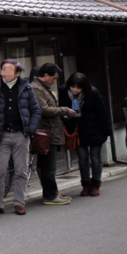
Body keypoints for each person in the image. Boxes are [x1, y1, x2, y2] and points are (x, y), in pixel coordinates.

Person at [0, 60, 42, 217]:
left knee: (21, 170)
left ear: (17, 73)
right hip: (1, 135)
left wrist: (30, 129)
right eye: (3, 69)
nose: (5, 73)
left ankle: (19, 203)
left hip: (21, 134)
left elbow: (36, 111)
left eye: (9, 70)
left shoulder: (26, 88)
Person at [60, 73, 111, 197]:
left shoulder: (93, 93)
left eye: (78, 87)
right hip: (77, 130)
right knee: (82, 158)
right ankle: (85, 184)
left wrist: (106, 131)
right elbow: (61, 108)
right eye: (72, 87)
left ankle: (95, 184)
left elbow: (102, 112)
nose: (74, 90)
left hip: (95, 129)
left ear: (84, 87)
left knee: (95, 157)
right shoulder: (63, 91)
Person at [32, 63, 74, 206]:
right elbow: (44, 110)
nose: (55, 81)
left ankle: (51, 193)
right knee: (48, 167)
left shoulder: (44, 88)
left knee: (47, 166)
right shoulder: (36, 89)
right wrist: (64, 110)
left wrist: (63, 114)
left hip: (51, 131)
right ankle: (50, 195)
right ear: (45, 76)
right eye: (54, 78)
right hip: (45, 133)